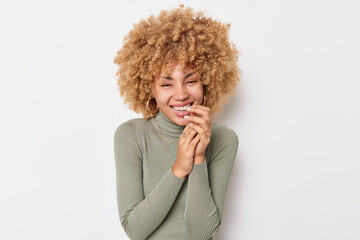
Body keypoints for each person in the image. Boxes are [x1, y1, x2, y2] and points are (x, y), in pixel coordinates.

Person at [113, 4, 242, 240]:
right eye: (166, 84)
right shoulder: (131, 135)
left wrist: (199, 158)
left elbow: (202, 233)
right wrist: (180, 168)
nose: (181, 94)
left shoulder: (224, 139)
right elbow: (134, 229)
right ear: (149, 88)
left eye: (191, 80)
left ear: (207, 81)